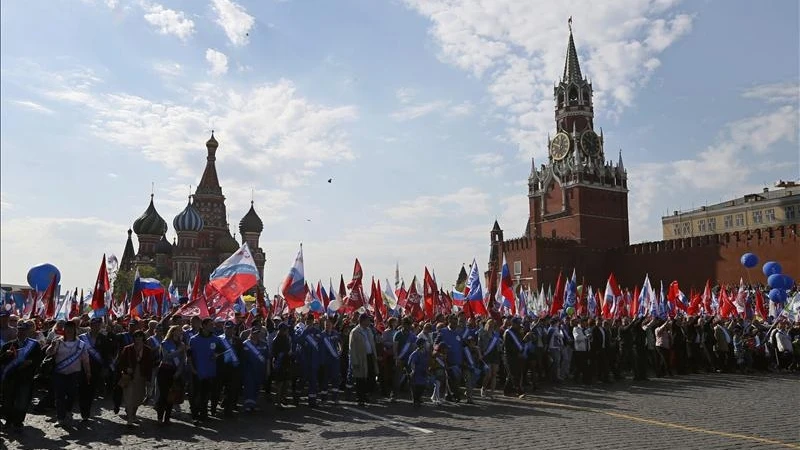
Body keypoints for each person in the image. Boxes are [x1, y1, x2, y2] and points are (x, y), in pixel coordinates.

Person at [1, 319, 43, 432]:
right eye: (19, 330)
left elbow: (39, 359)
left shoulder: (34, 345)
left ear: (28, 331)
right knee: (8, 401)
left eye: (24, 330)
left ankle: (18, 422)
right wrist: (7, 355)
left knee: (22, 401)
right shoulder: (8, 345)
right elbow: (1, 361)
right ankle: (9, 421)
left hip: (26, 377)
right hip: (11, 378)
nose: (21, 332)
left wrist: (30, 362)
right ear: (16, 331)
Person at [48, 321, 91, 428]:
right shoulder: (58, 342)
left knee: (71, 395)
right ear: (64, 330)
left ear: (74, 330)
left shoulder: (81, 344)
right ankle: (60, 418)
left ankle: (68, 412)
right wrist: (52, 346)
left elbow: (85, 360)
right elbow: (48, 353)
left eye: (71, 328)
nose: (69, 330)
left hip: (74, 373)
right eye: (67, 328)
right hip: (60, 373)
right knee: (59, 396)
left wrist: (88, 372)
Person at [188, 318, 224, 425]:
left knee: (205, 394)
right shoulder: (194, 339)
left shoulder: (215, 339)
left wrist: (217, 355)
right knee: (196, 394)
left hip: (209, 372)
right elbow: (189, 356)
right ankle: (195, 415)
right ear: (203, 326)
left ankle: (204, 414)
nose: (212, 326)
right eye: (210, 325)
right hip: (197, 371)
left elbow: (221, 351)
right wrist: (192, 368)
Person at [118, 330, 153, 427]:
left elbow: (149, 366)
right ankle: (129, 418)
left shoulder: (147, 350)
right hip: (129, 377)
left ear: (143, 338)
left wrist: (149, 380)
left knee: (138, 398)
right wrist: (126, 369)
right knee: (129, 397)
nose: (138, 338)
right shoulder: (128, 349)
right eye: (136, 336)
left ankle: (133, 414)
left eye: (140, 336)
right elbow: (120, 363)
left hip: (141, 377)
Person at [78, 317, 110, 422]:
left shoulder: (103, 338)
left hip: (96, 368)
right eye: (94, 325)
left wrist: (105, 368)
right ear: (90, 325)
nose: (96, 327)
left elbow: (106, 355)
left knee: (91, 391)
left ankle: (86, 412)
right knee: (82, 390)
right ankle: (83, 411)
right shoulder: (82, 338)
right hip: (82, 368)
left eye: (98, 325)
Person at [156, 325, 185, 426]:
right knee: (164, 395)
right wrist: (178, 351)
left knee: (172, 395)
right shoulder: (165, 343)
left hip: (175, 371)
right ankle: (160, 418)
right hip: (164, 370)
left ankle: (167, 418)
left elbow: (182, 361)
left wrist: (178, 372)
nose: (181, 332)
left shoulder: (182, 344)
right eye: (178, 331)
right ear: (172, 332)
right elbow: (166, 357)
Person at [348, 314, 378, 406]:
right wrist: (354, 361)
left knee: (371, 377)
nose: (369, 322)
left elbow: (372, 344)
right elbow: (352, 348)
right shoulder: (355, 332)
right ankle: (360, 398)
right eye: (368, 320)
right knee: (360, 379)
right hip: (360, 358)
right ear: (363, 321)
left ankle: (366, 395)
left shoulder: (369, 330)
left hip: (369, 357)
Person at [240, 324, 269, 412]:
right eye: (254, 333)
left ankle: (254, 403)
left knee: (257, 387)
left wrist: (268, 370)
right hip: (248, 370)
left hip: (259, 370)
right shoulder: (245, 344)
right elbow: (241, 358)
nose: (256, 335)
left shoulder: (264, 344)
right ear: (251, 333)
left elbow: (267, 358)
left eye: (257, 333)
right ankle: (248, 405)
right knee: (249, 387)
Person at [271, 323, 292, 410]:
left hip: (286, 363)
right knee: (279, 384)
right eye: (285, 329)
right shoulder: (276, 340)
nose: (286, 331)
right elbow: (275, 353)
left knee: (286, 382)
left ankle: (283, 398)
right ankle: (278, 402)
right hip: (279, 363)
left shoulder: (286, 338)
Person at [479, 319, 501, 398]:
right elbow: (479, 345)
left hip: (495, 354)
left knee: (494, 374)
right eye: (489, 324)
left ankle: (492, 393)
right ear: (487, 324)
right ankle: (483, 388)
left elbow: (498, 345)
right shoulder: (482, 333)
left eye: (492, 325)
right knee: (488, 374)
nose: (491, 326)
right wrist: (480, 354)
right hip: (486, 355)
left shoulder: (496, 334)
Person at [407, 338, 428, 407]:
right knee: (416, 387)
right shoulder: (415, 353)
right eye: (424, 343)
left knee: (422, 386)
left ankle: (419, 398)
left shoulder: (425, 353)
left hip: (423, 372)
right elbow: (412, 363)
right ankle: (415, 400)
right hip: (417, 373)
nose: (426, 344)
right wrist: (413, 371)